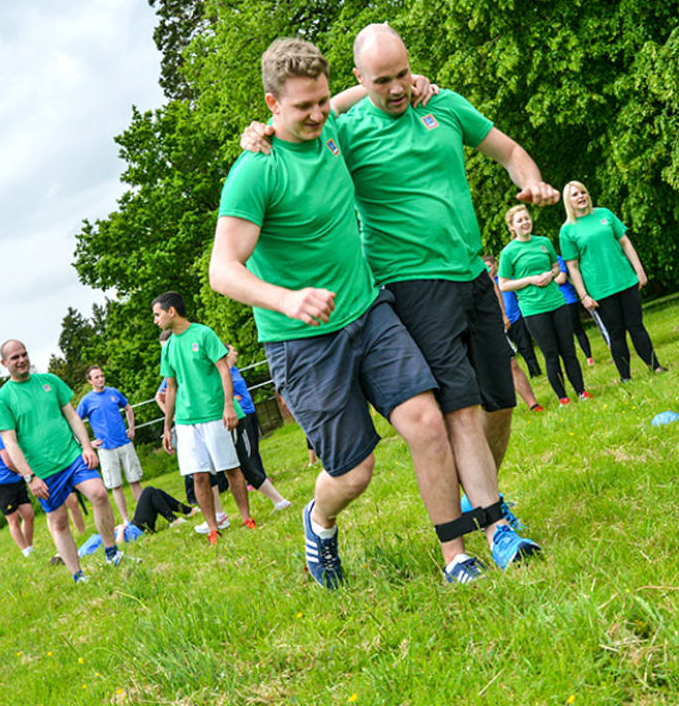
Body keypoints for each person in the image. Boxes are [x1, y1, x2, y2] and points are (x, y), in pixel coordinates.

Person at [213, 37, 536, 586]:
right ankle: (320, 519)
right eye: (301, 107)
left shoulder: (335, 131)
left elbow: (358, 97)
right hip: (303, 338)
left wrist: (412, 84)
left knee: (428, 423)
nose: (316, 114)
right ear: (271, 106)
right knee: (353, 472)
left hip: (369, 311)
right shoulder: (256, 169)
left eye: (321, 101)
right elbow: (222, 269)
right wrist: (287, 298)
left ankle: (456, 557)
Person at [240, 25, 559, 487]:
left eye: (403, 74)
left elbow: (508, 150)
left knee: (501, 400)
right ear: (359, 79)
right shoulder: (344, 134)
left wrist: (531, 180)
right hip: (410, 282)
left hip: (471, 271)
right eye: (381, 80)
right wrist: (261, 130)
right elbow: (298, 125)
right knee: (460, 408)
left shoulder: (442, 105)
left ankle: (480, 498)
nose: (396, 89)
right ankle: (492, 518)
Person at [0, 340, 121, 582]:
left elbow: (72, 416)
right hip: (43, 471)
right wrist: (30, 477)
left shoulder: (50, 381)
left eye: (24, 354)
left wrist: (85, 446)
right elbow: (10, 443)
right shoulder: (3, 399)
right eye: (14, 358)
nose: (21, 360)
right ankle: (78, 575)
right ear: (4, 363)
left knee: (99, 493)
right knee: (59, 521)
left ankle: (112, 552)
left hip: (72, 456)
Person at [152, 291, 253, 543]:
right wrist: (168, 426)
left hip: (213, 413)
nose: (156, 320)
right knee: (198, 474)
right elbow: (171, 388)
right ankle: (212, 528)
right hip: (186, 421)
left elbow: (224, 370)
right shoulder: (169, 348)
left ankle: (246, 518)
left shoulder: (204, 334)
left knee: (230, 468)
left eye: (157, 314)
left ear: (171, 311)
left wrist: (228, 405)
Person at [560, 181, 665, 382]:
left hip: (625, 280)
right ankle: (626, 377)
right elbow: (572, 266)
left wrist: (639, 271)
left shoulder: (604, 214)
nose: (581, 196)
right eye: (575, 194)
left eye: (583, 192)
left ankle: (656, 367)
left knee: (637, 327)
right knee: (616, 334)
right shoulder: (567, 231)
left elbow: (625, 242)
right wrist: (583, 295)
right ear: (568, 201)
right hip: (600, 290)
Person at [498, 205, 589, 405]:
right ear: (512, 227)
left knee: (568, 350)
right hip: (533, 309)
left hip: (557, 303)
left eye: (526, 218)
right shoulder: (508, 252)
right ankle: (563, 398)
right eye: (519, 220)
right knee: (550, 354)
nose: (525, 222)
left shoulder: (544, 242)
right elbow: (504, 284)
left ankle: (582, 392)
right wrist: (530, 280)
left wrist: (551, 274)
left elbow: (556, 267)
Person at [223, 343, 291, 511]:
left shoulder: (235, 370)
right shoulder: (225, 372)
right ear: (226, 354)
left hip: (250, 411)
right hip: (241, 414)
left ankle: (262, 478)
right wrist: (233, 400)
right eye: (232, 350)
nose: (236, 352)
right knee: (248, 451)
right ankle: (254, 481)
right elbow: (227, 392)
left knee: (254, 447)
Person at [76, 367, 143, 525]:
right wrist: (87, 444)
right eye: (97, 377)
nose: (101, 379)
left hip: (124, 443)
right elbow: (75, 423)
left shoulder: (114, 392)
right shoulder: (86, 401)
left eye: (102, 376)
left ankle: (143, 514)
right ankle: (126, 520)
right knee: (116, 485)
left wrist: (131, 428)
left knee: (135, 480)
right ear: (90, 381)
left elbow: (128, 408)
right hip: (105, 449)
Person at [483, 255, 542, 411]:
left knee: (512, 364)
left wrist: (503, 314)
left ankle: (533, 404)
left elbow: (494, 288)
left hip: (490, 323)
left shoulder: (471, 263)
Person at [0, 431, 36, 556]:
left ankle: (29, 547)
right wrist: (27, 473)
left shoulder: (15, 435)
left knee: (28, 515)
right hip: (2, 484)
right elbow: (8, 462)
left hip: (17, 480)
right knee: (13, 520)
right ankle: (25, 551)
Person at [557, 256, 594, 365]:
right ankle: (571, 361)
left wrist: (544, 282)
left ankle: (589, 357)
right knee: (562, 335)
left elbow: (561, 278)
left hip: (568, 300)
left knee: (577, 329)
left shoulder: (557, 259)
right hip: (553, 303)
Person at [130, 486, 194, 533]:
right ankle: (173, 519)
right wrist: (121, 529)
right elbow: (120, 543)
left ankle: (188, 511)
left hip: (133, 526)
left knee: (157, 492)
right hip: (137, 528)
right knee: (149, 491)